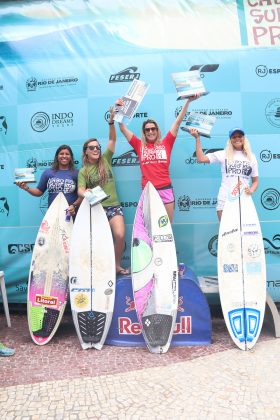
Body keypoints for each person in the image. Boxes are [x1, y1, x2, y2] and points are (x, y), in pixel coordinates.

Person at [116, 95, 200, 222]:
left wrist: (188, 101)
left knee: (166, 229)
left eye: (153, 128)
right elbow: (122, 128)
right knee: (149, 228)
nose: (150, 131)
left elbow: (177, 123)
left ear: (157, 130)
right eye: (147, 130)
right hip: (148, 191)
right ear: (144, 132)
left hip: (165, 190)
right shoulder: (139, 145)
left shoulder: (166, 143)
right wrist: (119, 109)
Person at [78, 107, 128, 275]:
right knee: (98, 242)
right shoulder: (83, 171)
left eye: (97, 147)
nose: (96, 149)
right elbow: (80, 190)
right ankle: (100, 269)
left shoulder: (105, 159)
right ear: (86, 151)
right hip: (96, 209)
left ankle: (115, 264)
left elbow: (112, 139)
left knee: (120, 235)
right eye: (92, 148)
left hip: (113, 206)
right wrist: (88, 194)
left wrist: (111, 121)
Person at [189, 127, 259, 220]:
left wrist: (252, 190)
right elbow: (201, 159)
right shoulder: (223, 154)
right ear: (230, 140)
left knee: (245, 233)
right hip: (225, 199)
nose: (237, 138)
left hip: (243, 199)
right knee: (227, 233)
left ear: (244, 138)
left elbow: (255, 181)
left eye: (239, 136)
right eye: (234, 137)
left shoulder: (251, 157)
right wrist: (197, 138)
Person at [16, 145, 82, 217]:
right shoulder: (48, 173)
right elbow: (39, 192)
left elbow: (82, 195)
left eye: (67, 154)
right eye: (61, 154)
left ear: (71, 157)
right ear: (57, 156)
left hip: (71, 215)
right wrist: (26, 188)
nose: (64, 156)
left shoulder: (77, 173)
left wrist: (74, 205)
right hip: (52, 215)